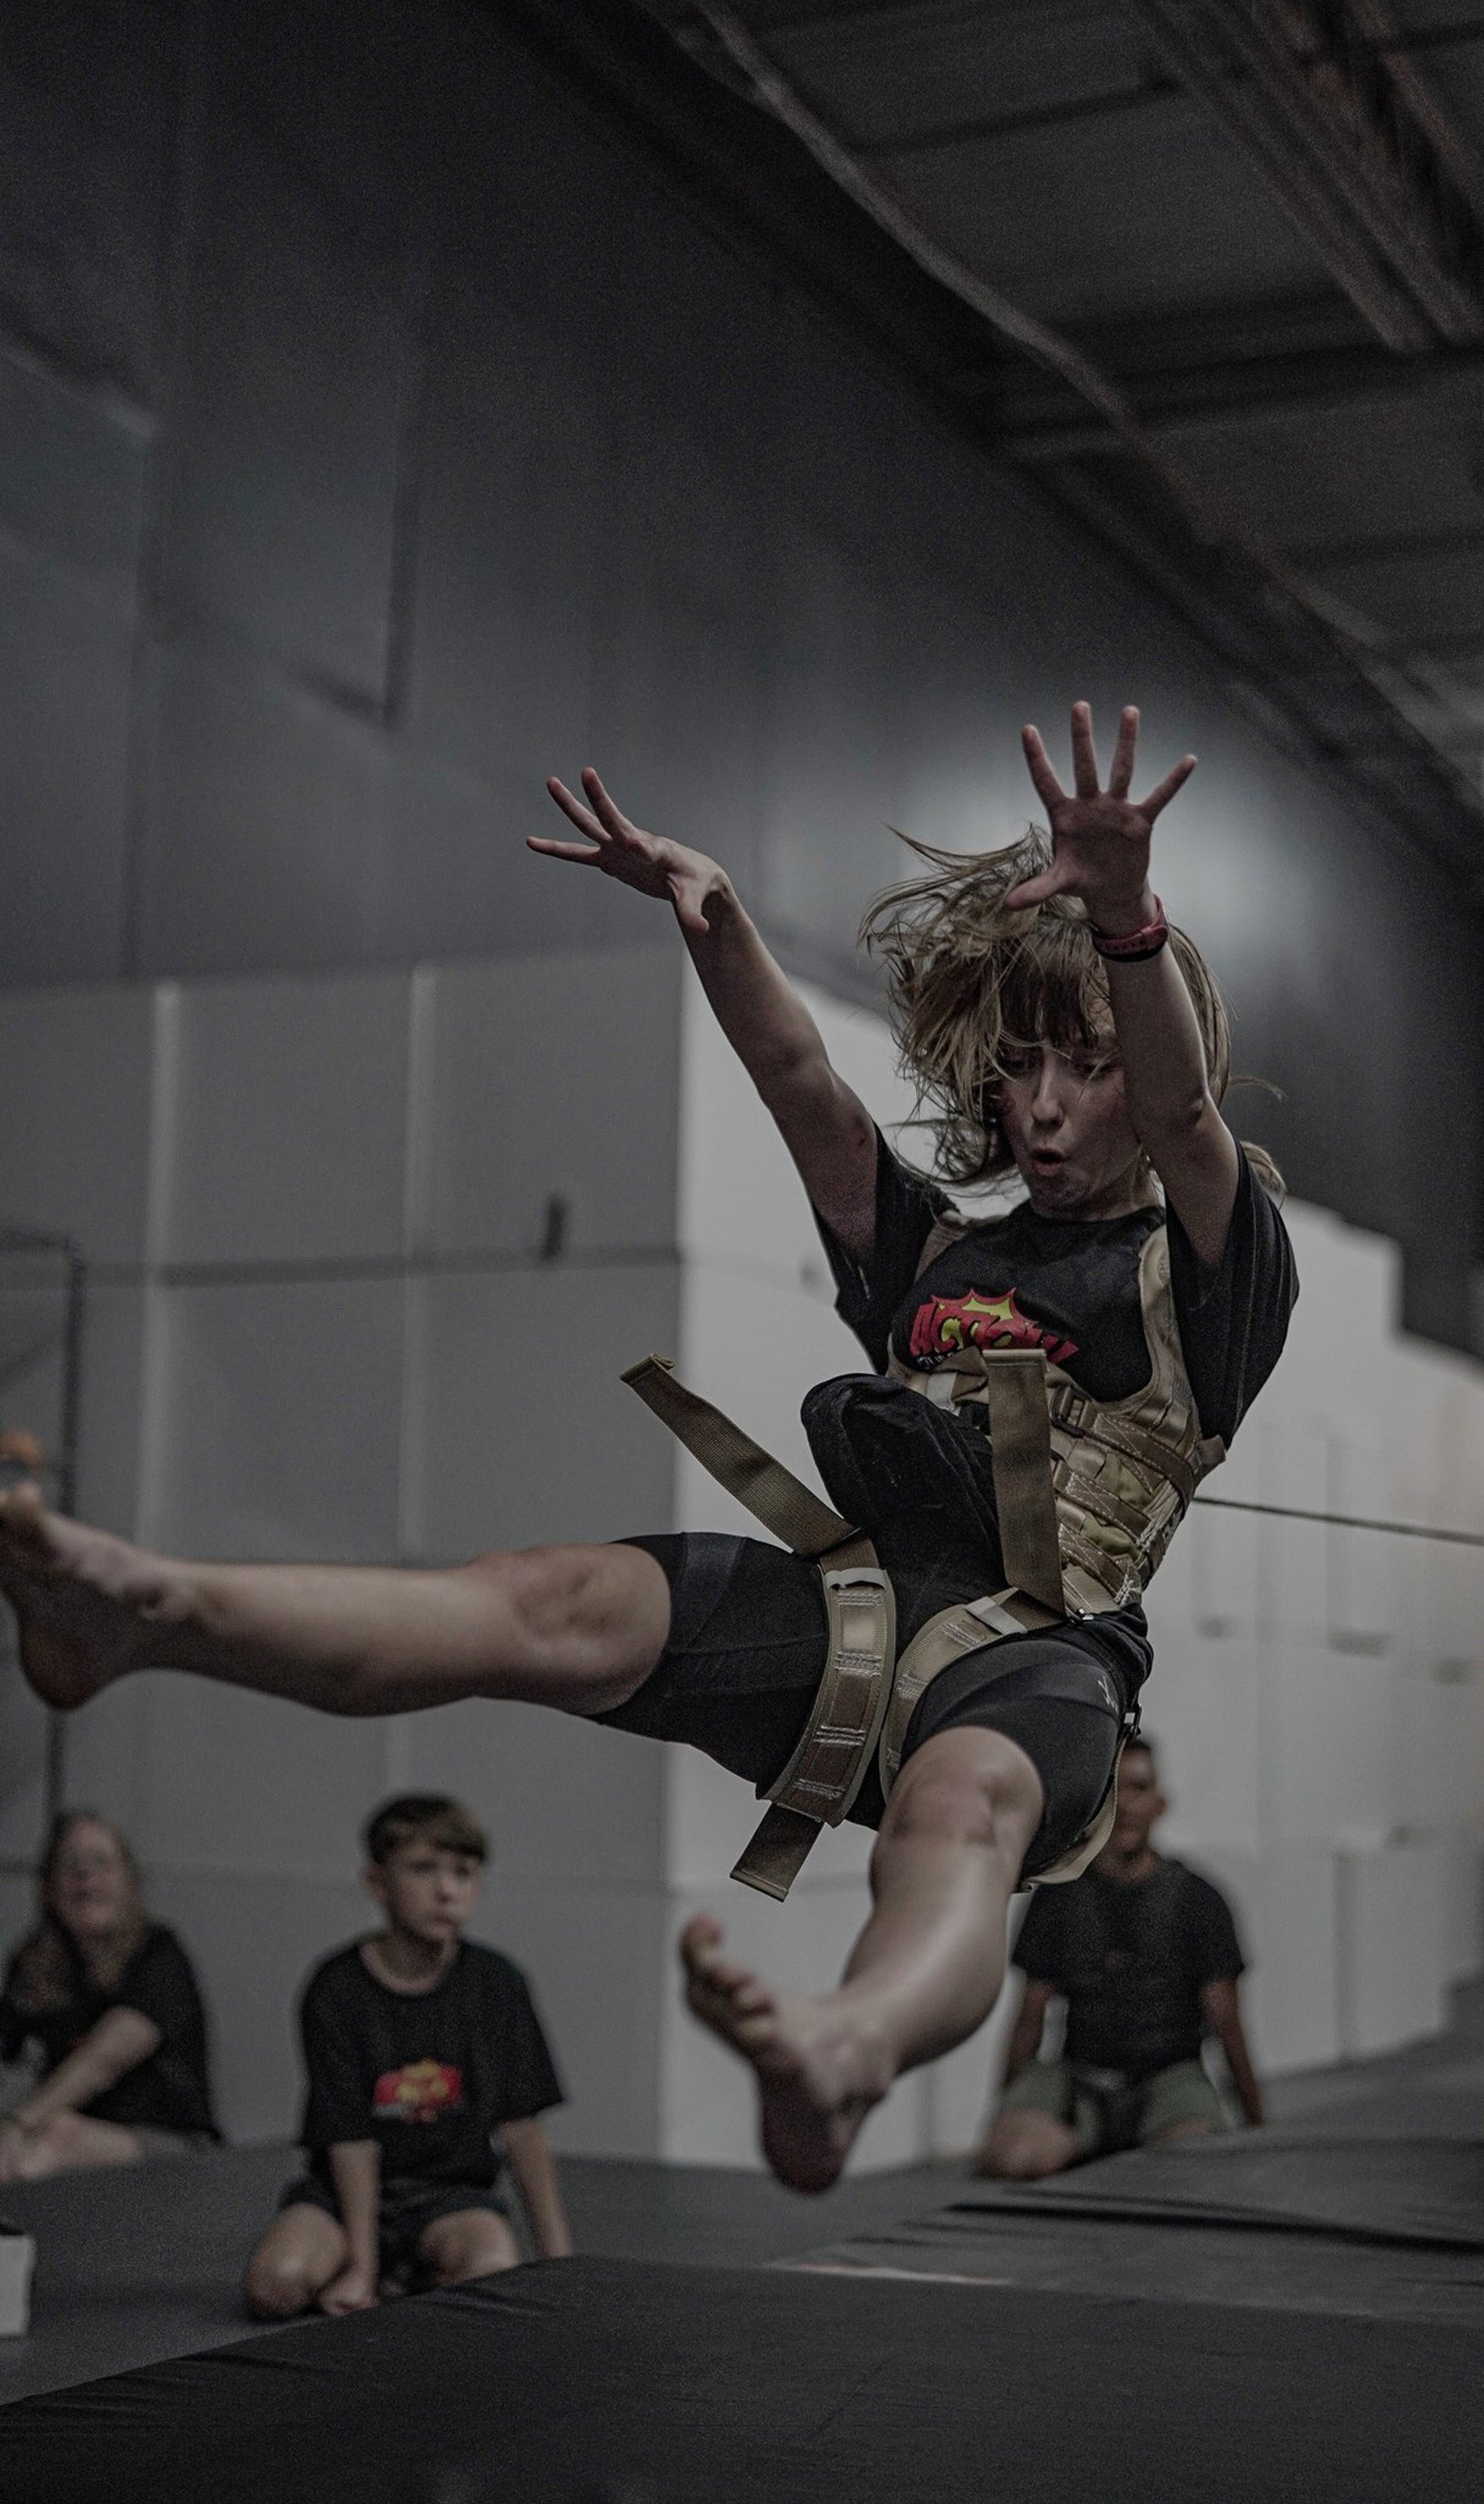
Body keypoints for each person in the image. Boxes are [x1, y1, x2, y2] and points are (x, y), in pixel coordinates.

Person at [0, 704, 1295, 2192]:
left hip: (1039, 1656)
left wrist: (1126, 916)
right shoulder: (937, 1254)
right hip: (858, 1612)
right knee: (541, 1596)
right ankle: (141, 1611)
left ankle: (847, 2045)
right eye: (1022, 1069)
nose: (1050, 1103)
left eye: (1088, 1065)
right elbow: (806, 1087)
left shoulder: (1208, 1263)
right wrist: (722, 919)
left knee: (957, 1812)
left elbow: (1191, 1107)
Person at [246, 1793, 570, 2317]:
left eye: (463, 1873)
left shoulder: (497, 1985)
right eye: (424, 1869)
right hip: (341, 2194)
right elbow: (349, 2136)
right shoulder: (337, 1988)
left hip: (452, 2192)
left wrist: (560, 2262)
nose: (446, 1890)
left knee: (491, 2271)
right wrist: (361, 2264)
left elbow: (521, 2127)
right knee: (276, 2285)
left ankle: (418, 2266)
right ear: (378, 1882)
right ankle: (392, 2269)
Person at [975, 1736, 1263, 2176]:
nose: (1126, 1806)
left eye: (1139, 1789)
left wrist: (1259, 2128)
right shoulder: (1058, 1899)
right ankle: (1092, 2143)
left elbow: (1227, 2024)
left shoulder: (1199, 1901)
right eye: (1114, 1792)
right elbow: (1029, 2018)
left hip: (1169, 2080)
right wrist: (1007, 2113)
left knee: (1194, 2168)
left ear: (1160, 1804)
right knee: (1012, 2158)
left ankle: (1130, 2147)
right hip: (1081, 2079)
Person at [0, 1811, 219, 2175]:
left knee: (54, 2138)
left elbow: (103, 2060)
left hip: (170, 2145)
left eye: (100, 1862)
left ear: (129, 1882)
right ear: (49, 1887)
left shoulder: (159, 1956)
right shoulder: (36, 1963)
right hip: (60, 2131)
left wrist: (21, 2122)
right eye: (70, 1864)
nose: (84, 1875)